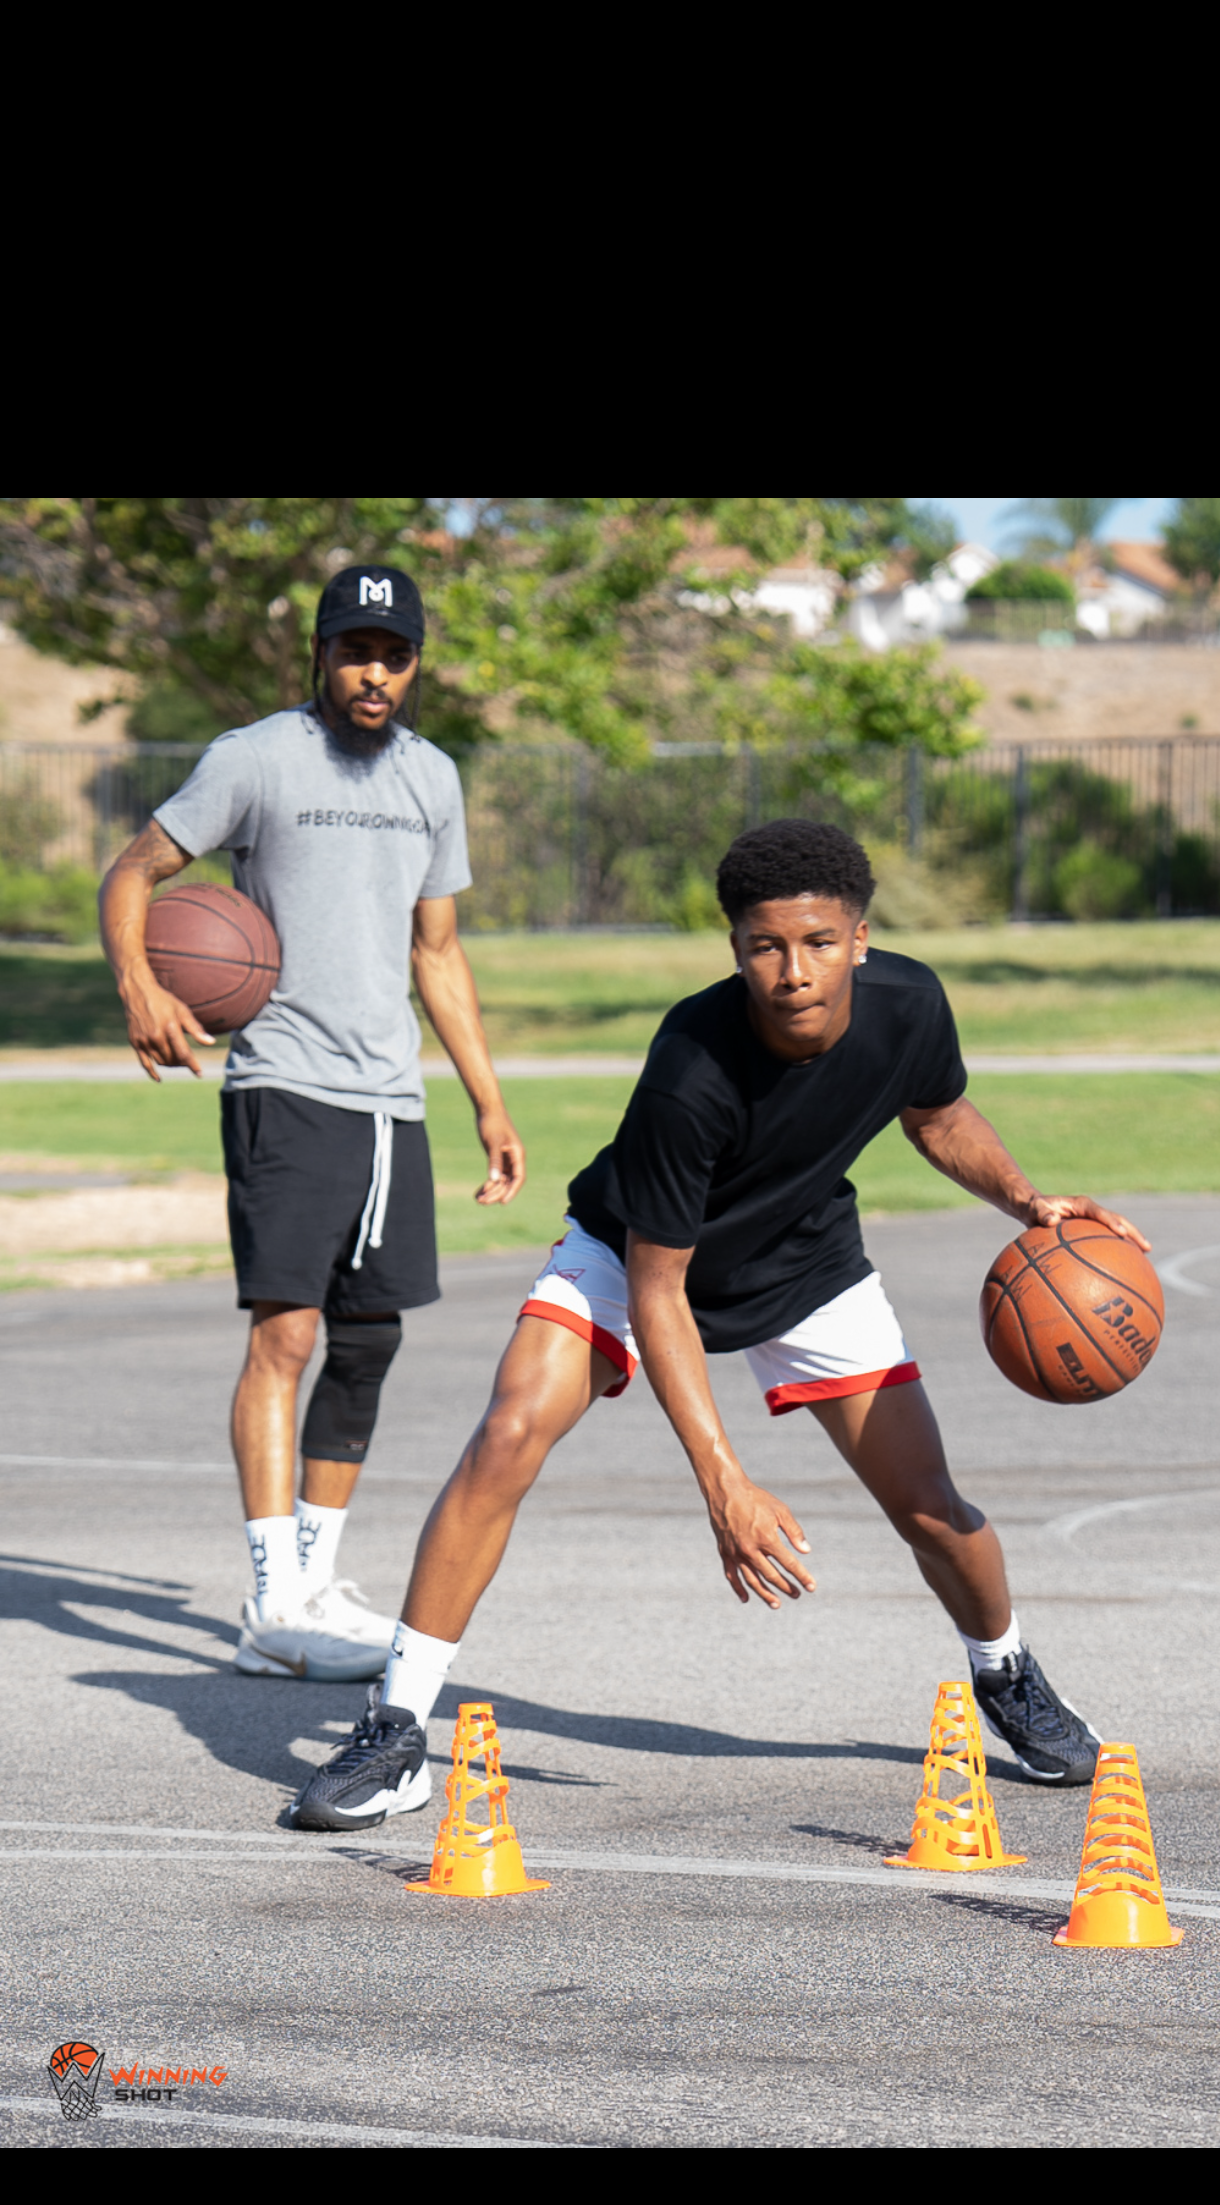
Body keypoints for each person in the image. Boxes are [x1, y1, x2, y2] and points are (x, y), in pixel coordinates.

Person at [292, 819, 1150, 1831]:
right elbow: (663, 1291)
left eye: (818, 943)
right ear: (736, 949)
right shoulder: (691, 1067)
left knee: (927, 1502)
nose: (793, 971)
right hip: (633, 1255)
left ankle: (1005, 1673)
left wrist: (1028, 1202)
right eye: (764, 947)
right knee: (509, 1432)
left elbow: (939, 1115)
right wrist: (725, 1482)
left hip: (804, 1258)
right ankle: (396, 1729)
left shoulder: (910, 1005)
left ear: (860, 940)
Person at [99, 563, 524, 1682]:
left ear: (414, 661)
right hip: (284, 1084)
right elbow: (135, 871)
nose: (372, 673)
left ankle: (317, 1578)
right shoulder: (254, 759)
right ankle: (271, 1599)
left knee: (371, 1339)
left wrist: (487, 1100)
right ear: (322, 655)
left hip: (392, 1100)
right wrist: (141, 986)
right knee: (286, 1334)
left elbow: (437, 951)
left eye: (392, 654)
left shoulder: (434, 777)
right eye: (354, 651)